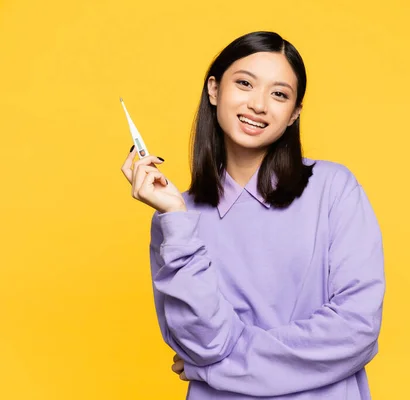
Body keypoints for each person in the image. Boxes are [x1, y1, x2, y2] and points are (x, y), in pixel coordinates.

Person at [121, 31, 385, 399]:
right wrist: (175, 217)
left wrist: (218, 367)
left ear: (294, 113)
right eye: (244, 83)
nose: (259, 105)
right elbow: (202, 345)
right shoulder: (177, 217)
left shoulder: (333, 188)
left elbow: (355, 330)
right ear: (214, 90)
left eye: (279, 94)